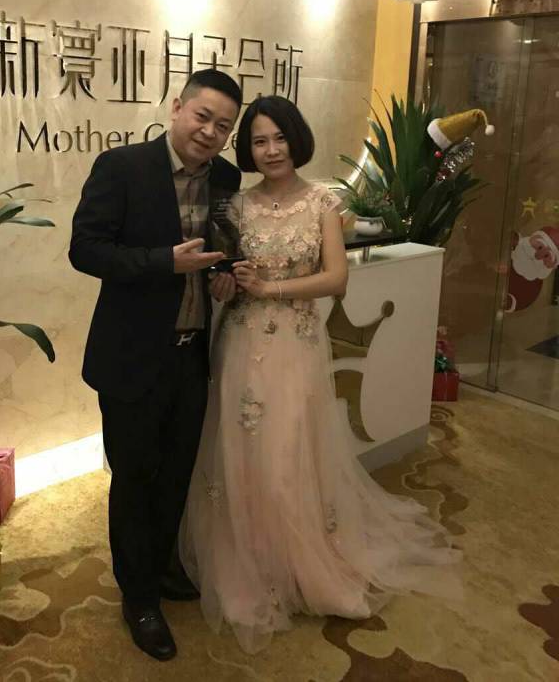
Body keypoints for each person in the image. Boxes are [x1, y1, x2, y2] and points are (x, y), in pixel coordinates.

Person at [180, 95, 462, 654]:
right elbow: (228, 280)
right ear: (248, 149)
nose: (271, 150)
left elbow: (337, 279)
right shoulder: (235, 206)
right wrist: (227, 285)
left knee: (288, 455)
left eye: (280, 137)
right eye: (259, 141)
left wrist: (272, 288)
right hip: (240, 344)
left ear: (297, 139)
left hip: (295, 347)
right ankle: (251, 561)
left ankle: (299, 564)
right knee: (241, 454)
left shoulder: (325, 202)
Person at [69, 69, 242, 661]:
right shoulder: (122, 168)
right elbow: (85, 249)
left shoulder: (226, 177)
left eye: (223, 126)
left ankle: (163, 566)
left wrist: (225, 274)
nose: (210, 132)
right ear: (177, 107)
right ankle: (138, 596)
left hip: (192, 355)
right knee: (134, 479)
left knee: (175, 474)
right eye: (203, 116)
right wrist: (161, 262)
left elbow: (224, 245)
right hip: (132, 357)